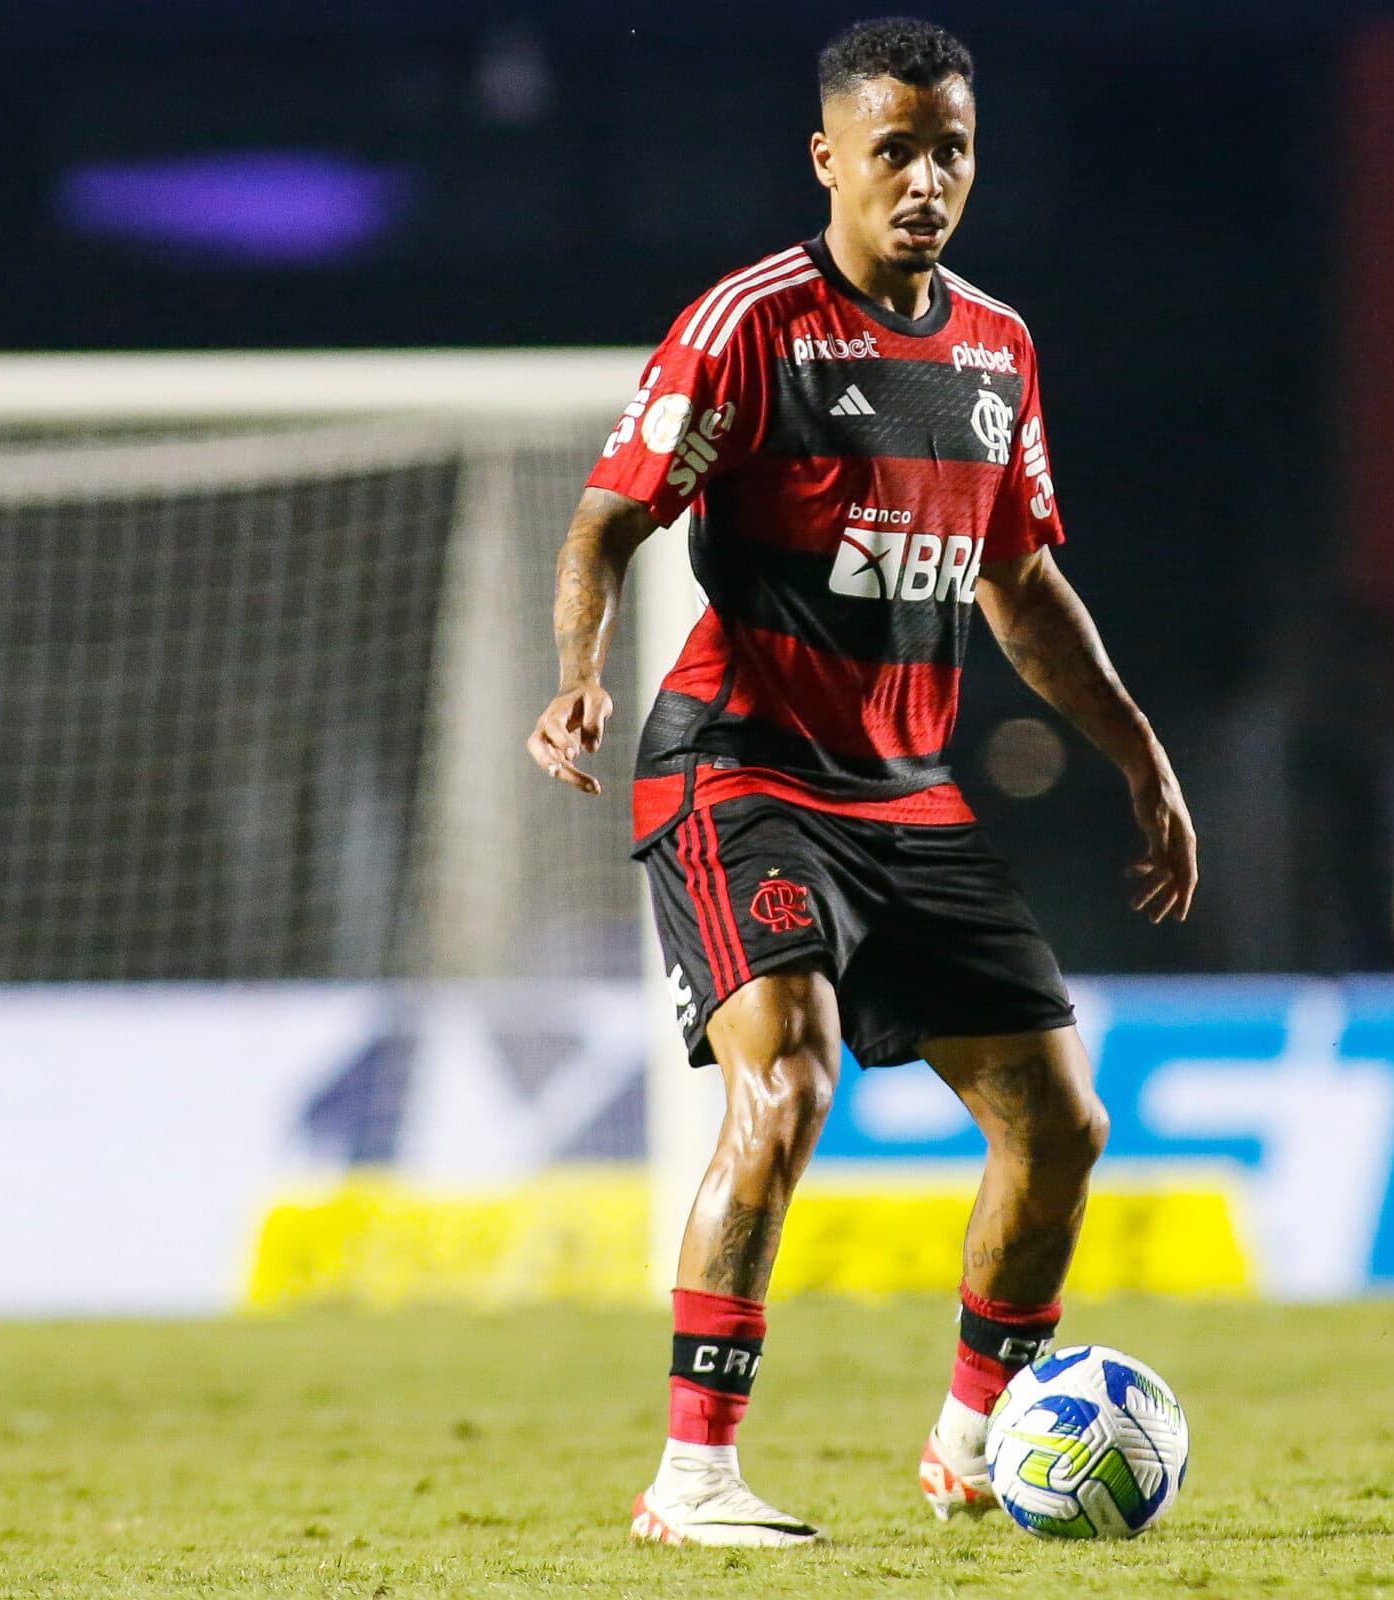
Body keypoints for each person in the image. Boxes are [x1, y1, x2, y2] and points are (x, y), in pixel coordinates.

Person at [528, 17, 1198, 1548]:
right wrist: (577, 666)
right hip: (738, 771)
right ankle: (692, 1476)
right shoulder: (749, 326)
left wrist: (1140, 754)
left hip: (908, 794)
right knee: (793, 1079)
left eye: (950, 147)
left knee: (1062, 1125)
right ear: (828, 157)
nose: (925, 177)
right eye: (893, 148)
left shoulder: (997, 349)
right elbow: (603, 524)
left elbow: (1020, 590)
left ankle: (975, 1442)